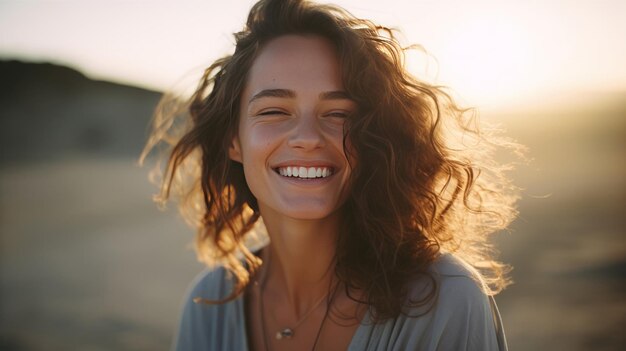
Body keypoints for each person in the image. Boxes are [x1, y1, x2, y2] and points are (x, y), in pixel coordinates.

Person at [141, 0, 519, 349]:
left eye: (339, 114)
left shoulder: (447, 300)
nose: (307, 138)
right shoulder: (208, 304)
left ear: (374, 137)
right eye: (274, 111)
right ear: (233, 140)